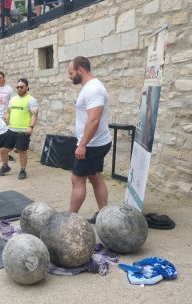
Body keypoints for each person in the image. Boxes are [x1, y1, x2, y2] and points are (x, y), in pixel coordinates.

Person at [66, 56, 112, 223]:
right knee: (95, 177)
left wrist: (82, 145)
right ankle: (105, 216)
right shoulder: (89, 87)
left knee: (77, 179)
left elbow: (94, 120)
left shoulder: (93, 89)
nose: (69, 76)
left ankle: (69, 220)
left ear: (80, 70)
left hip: (92, 144)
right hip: (94, 142)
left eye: (71, 73)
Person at [0, 78, 38, 179]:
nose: (19, 89)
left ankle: (23, 170)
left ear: (27, 87)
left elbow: (34, 115)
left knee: (21, 151)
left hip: (23, 131)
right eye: (17, 87)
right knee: (3, 149)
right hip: (10, 129)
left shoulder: (31, 100)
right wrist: (6, 116)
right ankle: (5, 166)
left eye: (21, 87)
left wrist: (31, 127)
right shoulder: (13, 99)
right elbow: (8, 111)